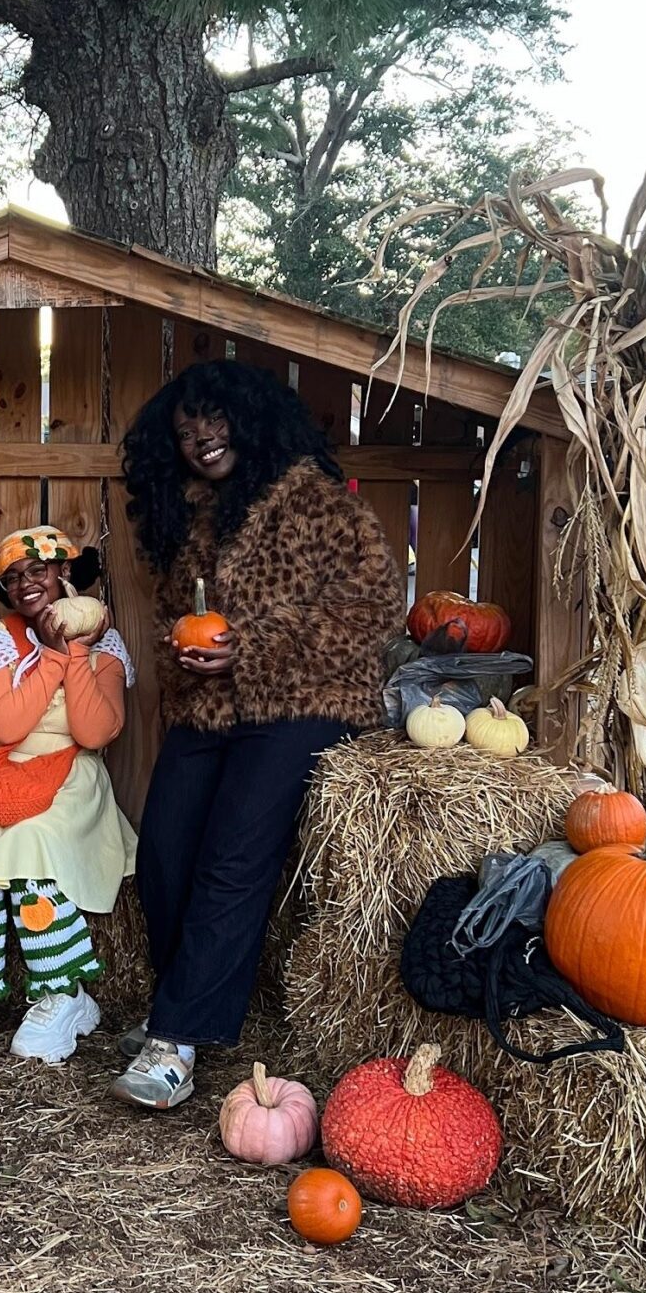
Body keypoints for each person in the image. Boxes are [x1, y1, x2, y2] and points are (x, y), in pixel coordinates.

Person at [115, 359, 405, 1112]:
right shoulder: (193, 513)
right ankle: (187, 1002)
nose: (200, 438)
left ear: (250, 419)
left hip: (304, 700)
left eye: (213, 420)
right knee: (165, 851)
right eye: (184, 432)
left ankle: (174, 1039)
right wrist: (189, 650)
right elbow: (177, 612)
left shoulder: (318, 501)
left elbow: (373, 607)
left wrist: (258, 642)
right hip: (211, 704)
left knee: (234, 858)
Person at [0, 526, 136, 1065]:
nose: (26, 583)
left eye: (38, 570)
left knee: (32, 839)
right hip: (1, 762)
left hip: (69, 769)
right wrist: (47, 654)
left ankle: (63, 992)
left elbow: (95, 732)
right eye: (13, 577)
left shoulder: (104, 644)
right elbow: (1, 725)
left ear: (64, 572)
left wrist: (72, 650)